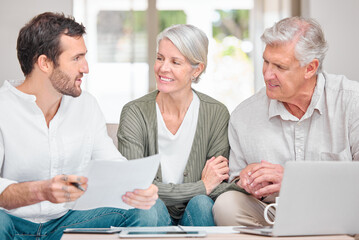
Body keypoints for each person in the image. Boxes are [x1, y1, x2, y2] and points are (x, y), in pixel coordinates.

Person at [0, 12, 160, 240]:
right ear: (44, 63)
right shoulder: (3, 108)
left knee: (147, 211)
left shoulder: (86, 106)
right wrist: (41, 190)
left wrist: (139, 188)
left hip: (67, 221)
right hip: (11, 223)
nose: (85, 68)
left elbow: (112, 164)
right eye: (76, 58)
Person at [213, 16, 359, 226]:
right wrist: (247, 181)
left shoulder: (352, 102)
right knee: (227, 204)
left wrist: (293, 181)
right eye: (266, 61)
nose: (267, 74)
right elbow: (235, 181)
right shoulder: (244, 116)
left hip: (341, 210)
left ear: (310, 68)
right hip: (273, 213)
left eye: (280, 67)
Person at [117, 24, 240, 226]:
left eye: (175, 62)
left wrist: (238, 186)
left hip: (195, 212)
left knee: (201, 204)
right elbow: (135, 187)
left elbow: (217, 185)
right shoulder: (134, 112)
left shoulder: (216, 113)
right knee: (150, 205)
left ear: (197, 69)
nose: (163, 68)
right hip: (151, 212)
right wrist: (201, 186)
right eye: (160, 58)